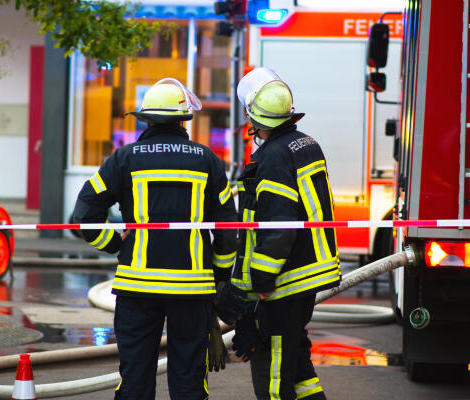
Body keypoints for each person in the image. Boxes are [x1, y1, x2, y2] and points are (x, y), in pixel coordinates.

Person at [72, 78, 238, 399]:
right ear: (182, 120)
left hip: (137, 289)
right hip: (192, 291)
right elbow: (228, 232)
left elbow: (84, 216)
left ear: (145, 119)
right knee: (189, 381)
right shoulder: (208, 161)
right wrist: (219, 279)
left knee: (135, 379)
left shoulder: (124, 159)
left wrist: (116, 244)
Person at [230, 67, 341, 400]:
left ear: (254, 118)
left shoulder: (274, 157)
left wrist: (261, 281)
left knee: (274, 374)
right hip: (306, 274)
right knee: (298, 367)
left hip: (284, 282)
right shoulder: (304, 144)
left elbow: (278, 224)